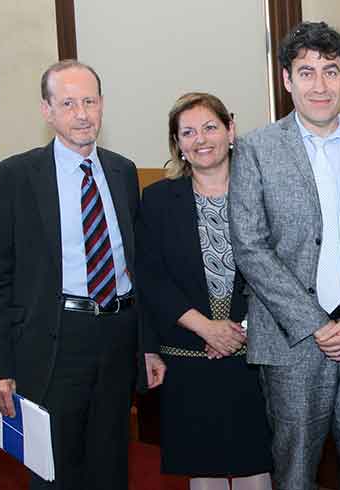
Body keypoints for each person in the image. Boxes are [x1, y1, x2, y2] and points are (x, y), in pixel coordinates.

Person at [229, 21, 340, 490]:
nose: (320, 85)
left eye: (330, 71)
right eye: (306, 73)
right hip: (291, 346)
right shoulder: (255, 150)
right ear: (287, 80)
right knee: (294, 476)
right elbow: (250, 247)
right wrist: (315, 324)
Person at [0, 60, 165, 490]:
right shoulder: (13, 177)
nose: (82, 114)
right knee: (55, 471)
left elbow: (138, 268)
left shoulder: (123, 171)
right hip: (54, 339)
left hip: (118, 336)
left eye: (90, 102)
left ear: (102, 105)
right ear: (47, 110)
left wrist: (147, 346)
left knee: (112, 463)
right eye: (68, 103)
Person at [136, 92, 274, 490]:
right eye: (188, 132)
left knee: (255, 466)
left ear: (230, 129)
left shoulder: (264, 192)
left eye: (210, 127)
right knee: (203, 469)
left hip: (255, 355)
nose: (201, 139)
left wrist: (238, 330)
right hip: (188, 357)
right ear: (177, 143)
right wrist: (206, 328)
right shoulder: (158, 200)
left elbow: (285, 266)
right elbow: (151, 277)